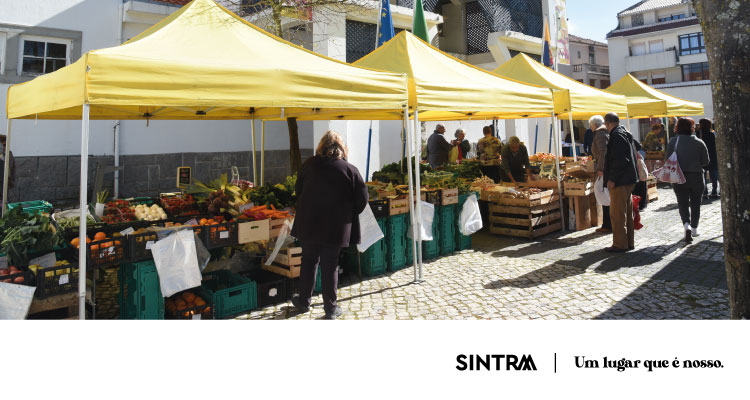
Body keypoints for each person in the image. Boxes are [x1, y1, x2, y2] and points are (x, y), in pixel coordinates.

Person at [290, 131, 368, 320]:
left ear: (321, 147)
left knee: (308, 261)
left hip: (309, 223)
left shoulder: (309, 165)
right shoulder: (350, 170)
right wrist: (348, 213)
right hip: (336, 226)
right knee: (330, 265)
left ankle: (304, 301)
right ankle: (330, 308)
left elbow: (298, 191)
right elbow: (362, 200)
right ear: (342, 149)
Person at [667, 118, 709, 244]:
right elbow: (705, 162)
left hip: (679, 177)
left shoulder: (673, 141)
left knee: (682, 203)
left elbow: (668, 159)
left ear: (677, 127)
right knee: (696, 203)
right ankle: (695, 228)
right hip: (696, 176)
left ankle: (686, 225)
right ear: (692, 127)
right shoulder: (699, 142)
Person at [603, 112, 639, 252]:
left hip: (620, 180)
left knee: (617, 214)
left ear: (607, 123)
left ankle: (620, 244)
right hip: (628, 179)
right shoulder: (624, 132)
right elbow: (638, 147)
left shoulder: (616, 136)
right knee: (626, 213)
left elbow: (620, 160)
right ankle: (628, 242)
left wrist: (612, 179)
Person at [589, 115, 611, 233]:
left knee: (604, 195)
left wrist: (601, 168)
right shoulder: (603, 132)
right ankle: (607, 223)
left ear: (594, 125)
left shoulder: (600, 134)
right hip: (604, 167)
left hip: (603, 169)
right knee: (605, 195)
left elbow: (603, 152)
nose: (590, 128)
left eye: (590, 125)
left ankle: (607, 224)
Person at [698, 119, 719, 199]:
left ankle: (705, 192)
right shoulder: (712, 134)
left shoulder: (698, 133)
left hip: (702, 156)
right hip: (712, 156)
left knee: (703, 175)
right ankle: (714, 191)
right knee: (713, 174)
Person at [0, 135, 16, 203]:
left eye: (6, 145)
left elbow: (13, 168)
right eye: (3, 145)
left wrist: (11, 181)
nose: (5, 147)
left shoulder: (9, 154)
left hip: (7, 184)